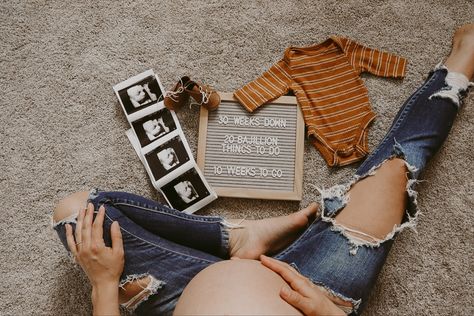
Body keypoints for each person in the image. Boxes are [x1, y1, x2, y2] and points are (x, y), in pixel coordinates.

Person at [52, 24, 473, 315]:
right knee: (400, 163)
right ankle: (462, 66)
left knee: (77, 214)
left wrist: (104, 286)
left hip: (182, 297)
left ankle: (235, 239)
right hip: (315, 290)